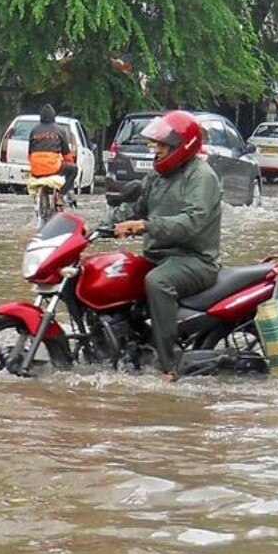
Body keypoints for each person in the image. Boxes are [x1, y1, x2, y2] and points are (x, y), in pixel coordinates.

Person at [108, 110, 222, 382]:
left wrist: (145, 225)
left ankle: (169, 365)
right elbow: (134, 208)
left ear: (182, 147)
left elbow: (192, 222)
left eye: (161, 146)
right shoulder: (158, 176)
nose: (155, 151)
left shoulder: (201, 177)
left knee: (158, 282)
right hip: (160, 255)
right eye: (155, 145)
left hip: (195, 260)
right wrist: (91, 227)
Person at [27, 104, 77, 206]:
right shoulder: (59, 130)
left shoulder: (34, 130)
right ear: (54, 117)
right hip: (52, 169)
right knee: (73, 169)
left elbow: (29, 154)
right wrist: (70, 162)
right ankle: (60, 196)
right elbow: (66, 154)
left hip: (35, 170)